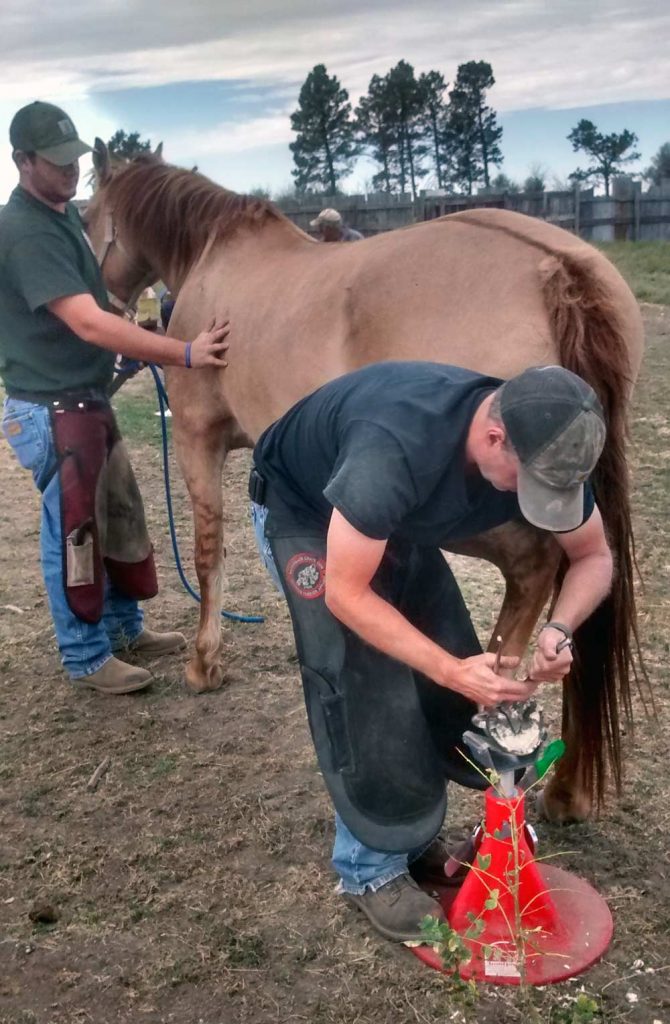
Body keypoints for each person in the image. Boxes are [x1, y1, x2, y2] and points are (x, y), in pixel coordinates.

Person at [248, 361, 611, 942]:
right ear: (494, 439)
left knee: (435, 667)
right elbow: (345, 593)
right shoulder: (394, 445)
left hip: (392, 520)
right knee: (368, 685)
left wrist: (559, 629)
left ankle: (411, 838)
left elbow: (593, 556)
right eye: (527, 485)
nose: (533, 503)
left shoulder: (550, 437)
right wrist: (449, 670)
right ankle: (369, 871)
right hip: (306, 513)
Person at [0, 101, 229, 696]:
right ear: (23, 161)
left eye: (73, 158)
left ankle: (125, 628)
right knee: (75, 530)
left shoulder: (59, 221)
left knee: (118, 518)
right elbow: (89, 322)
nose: (70, 170)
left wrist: (146, 336)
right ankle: (85, 655)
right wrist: (181, 352)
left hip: (82, 398)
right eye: (54, 162)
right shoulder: (24, 232)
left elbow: (105, 307)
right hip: (50, 406)